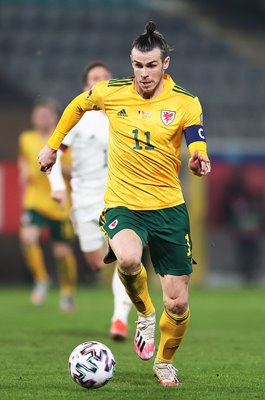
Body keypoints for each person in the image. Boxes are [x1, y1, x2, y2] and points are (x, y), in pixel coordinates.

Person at [38, 21, 211, 386]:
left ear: (165, 65)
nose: (143, 73)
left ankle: (164, 361)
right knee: (129, 258)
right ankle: (145, 314)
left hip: (168, 209)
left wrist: (198, 159)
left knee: (178, 303)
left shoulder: (185, 102)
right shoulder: (111, 92)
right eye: (137, 64)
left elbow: (196, 139)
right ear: (130, 63)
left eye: (151, 65)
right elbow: (75, 107)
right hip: (123, 203)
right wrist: (52, 146)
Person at [48, 62, 132, 340]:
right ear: (86, 86)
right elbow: (54, 152)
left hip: (119, 195)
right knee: (96, 263)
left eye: (106, 78)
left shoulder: (125, 114)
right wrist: (59, 187)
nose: (102, 83)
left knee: (125, 257)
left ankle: (119, 318)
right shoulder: (77, 116)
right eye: (95, 79)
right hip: (84, 199)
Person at [18, 98, 77, 312]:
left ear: (54, 118)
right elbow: (24, 159)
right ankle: (42, 279)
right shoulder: (25, 138)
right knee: (28, 237)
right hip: (34, 199)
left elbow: (73, 170)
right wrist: (24, 170)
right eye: (38, 115)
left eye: (46, 115)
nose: (41, 119)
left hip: (59, 202)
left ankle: (68, 292)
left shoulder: (64, 140)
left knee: (61, 253)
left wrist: (54, 164)